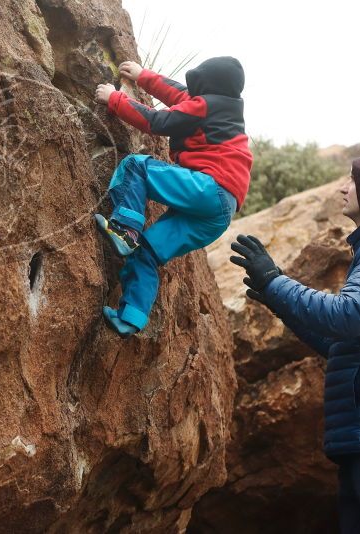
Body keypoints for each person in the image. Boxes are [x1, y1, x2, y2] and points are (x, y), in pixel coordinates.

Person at [229, 159, 360, 533]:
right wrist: (281, 305)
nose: (342, 189)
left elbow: (348, 315)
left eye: (352, 182)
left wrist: (275, 281)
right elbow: (341, 343)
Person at [92, 57, 252, 337]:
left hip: (209, 188)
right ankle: (130, 317)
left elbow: (158, 121)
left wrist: (115, 99)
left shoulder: (204, 106)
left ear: (205, 84)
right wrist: (143, 76)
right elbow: (177, 93)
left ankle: (125, 229)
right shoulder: (223, 108)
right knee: (149, 252)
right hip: (220, 213)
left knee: (136, 167)